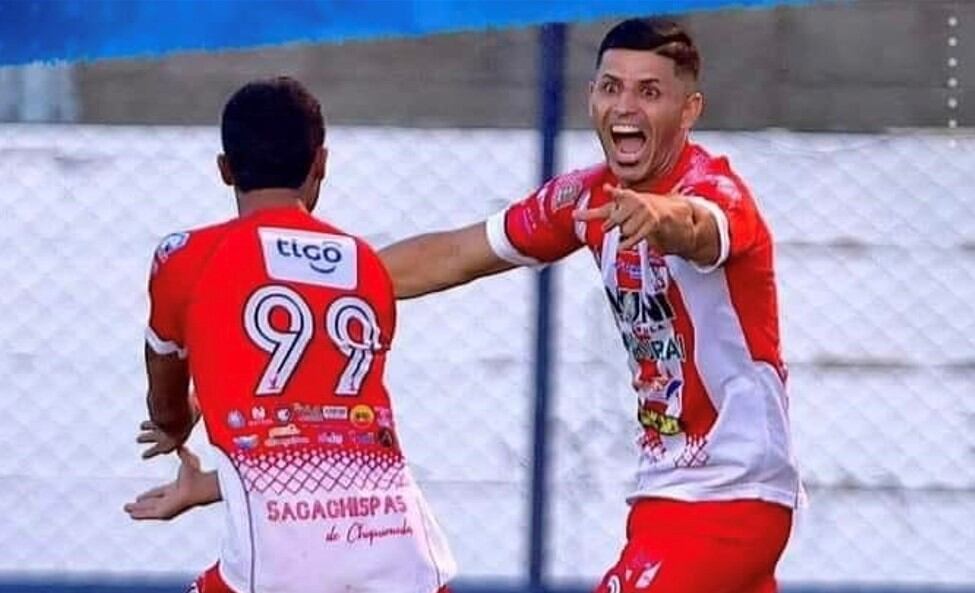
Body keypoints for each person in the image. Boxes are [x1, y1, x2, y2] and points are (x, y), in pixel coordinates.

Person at [378, 18, 800, 593]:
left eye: (649, 92)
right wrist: (334, 282)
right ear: (591, 97)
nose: (625, 106)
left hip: (732, 495)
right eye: (611, 87)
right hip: (663, 495)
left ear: (689, 110)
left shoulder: (715, 191)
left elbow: (700, 228)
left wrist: (659, 217)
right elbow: (456, 254)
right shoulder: (586, 198)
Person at [123, 77, 455, 593]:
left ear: (224, 169)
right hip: (401, 551)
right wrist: (210, 486)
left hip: (279, 564)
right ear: (320, 162)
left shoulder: (186, 257)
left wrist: (177, 421)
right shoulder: (364, 263)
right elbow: (320, 433)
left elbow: (169, 401)